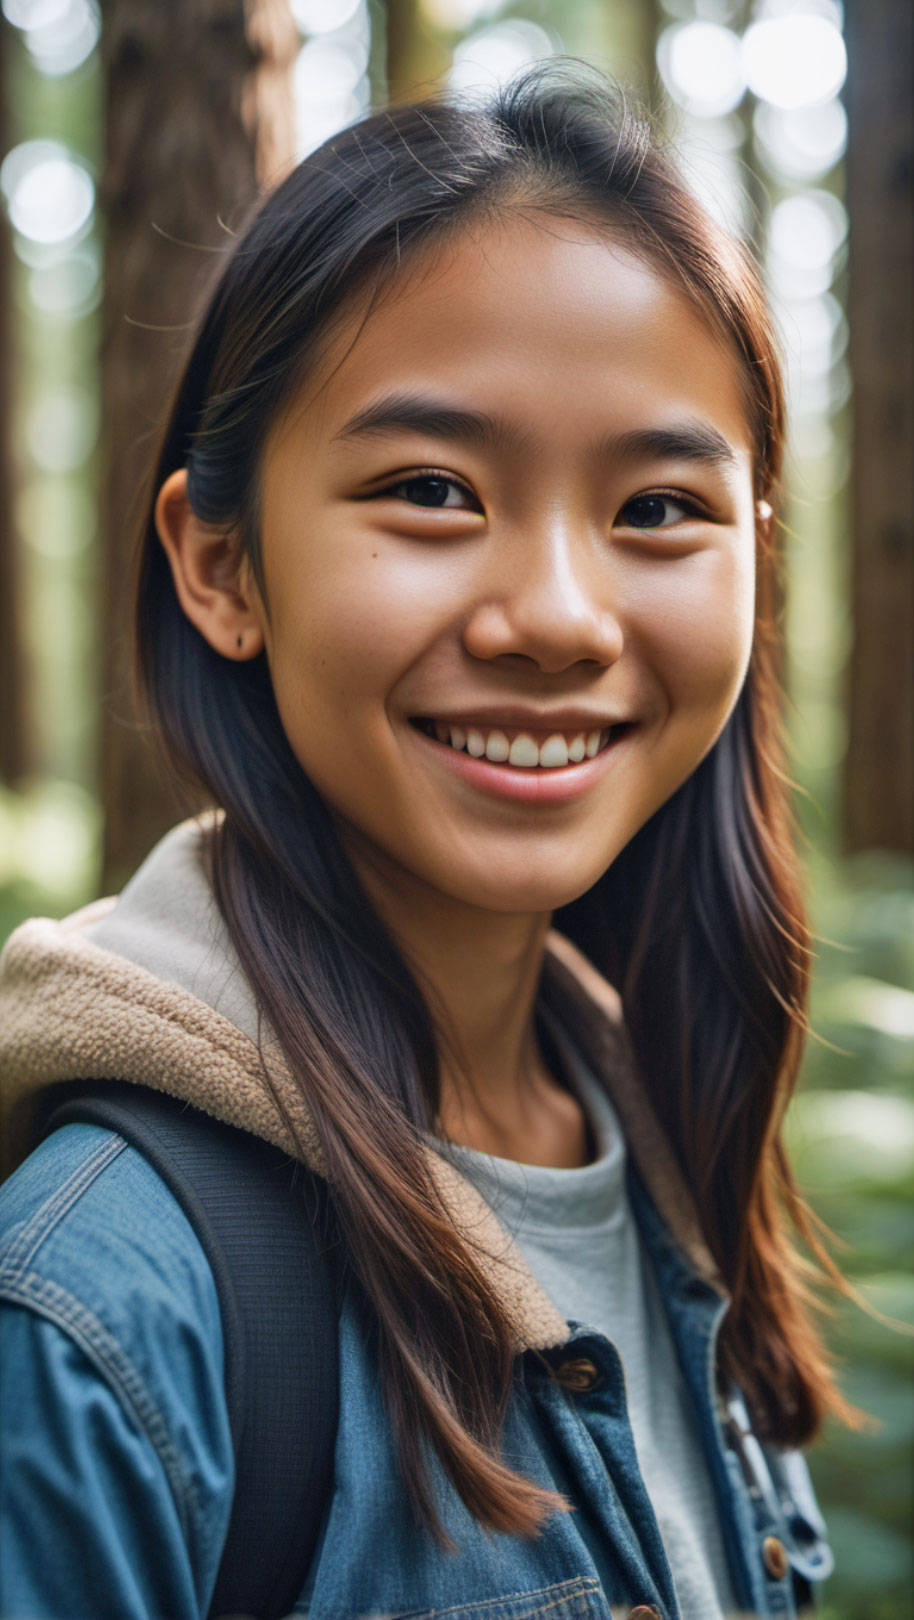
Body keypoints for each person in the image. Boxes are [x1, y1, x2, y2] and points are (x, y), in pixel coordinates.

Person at [0, 66, 852, 1620]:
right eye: (431, 490)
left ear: (753, 558)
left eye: (658, 508)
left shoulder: (670, 1154)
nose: (556, 619)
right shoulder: (97, 1317)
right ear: (220, 564)